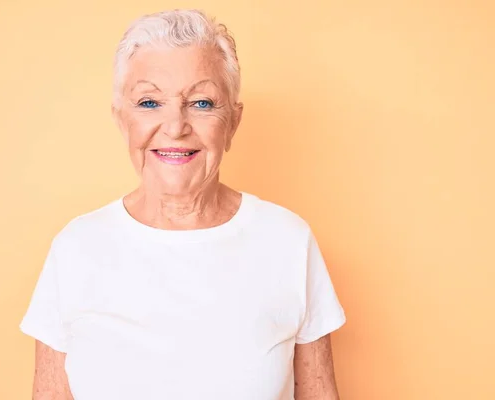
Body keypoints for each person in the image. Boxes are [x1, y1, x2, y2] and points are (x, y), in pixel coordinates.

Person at [20, 9, 346, 400]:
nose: (175, 126)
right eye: (149, 102)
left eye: (202, 103)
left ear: (234, 122)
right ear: (121, 119)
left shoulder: (288, 241)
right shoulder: (76, 247)